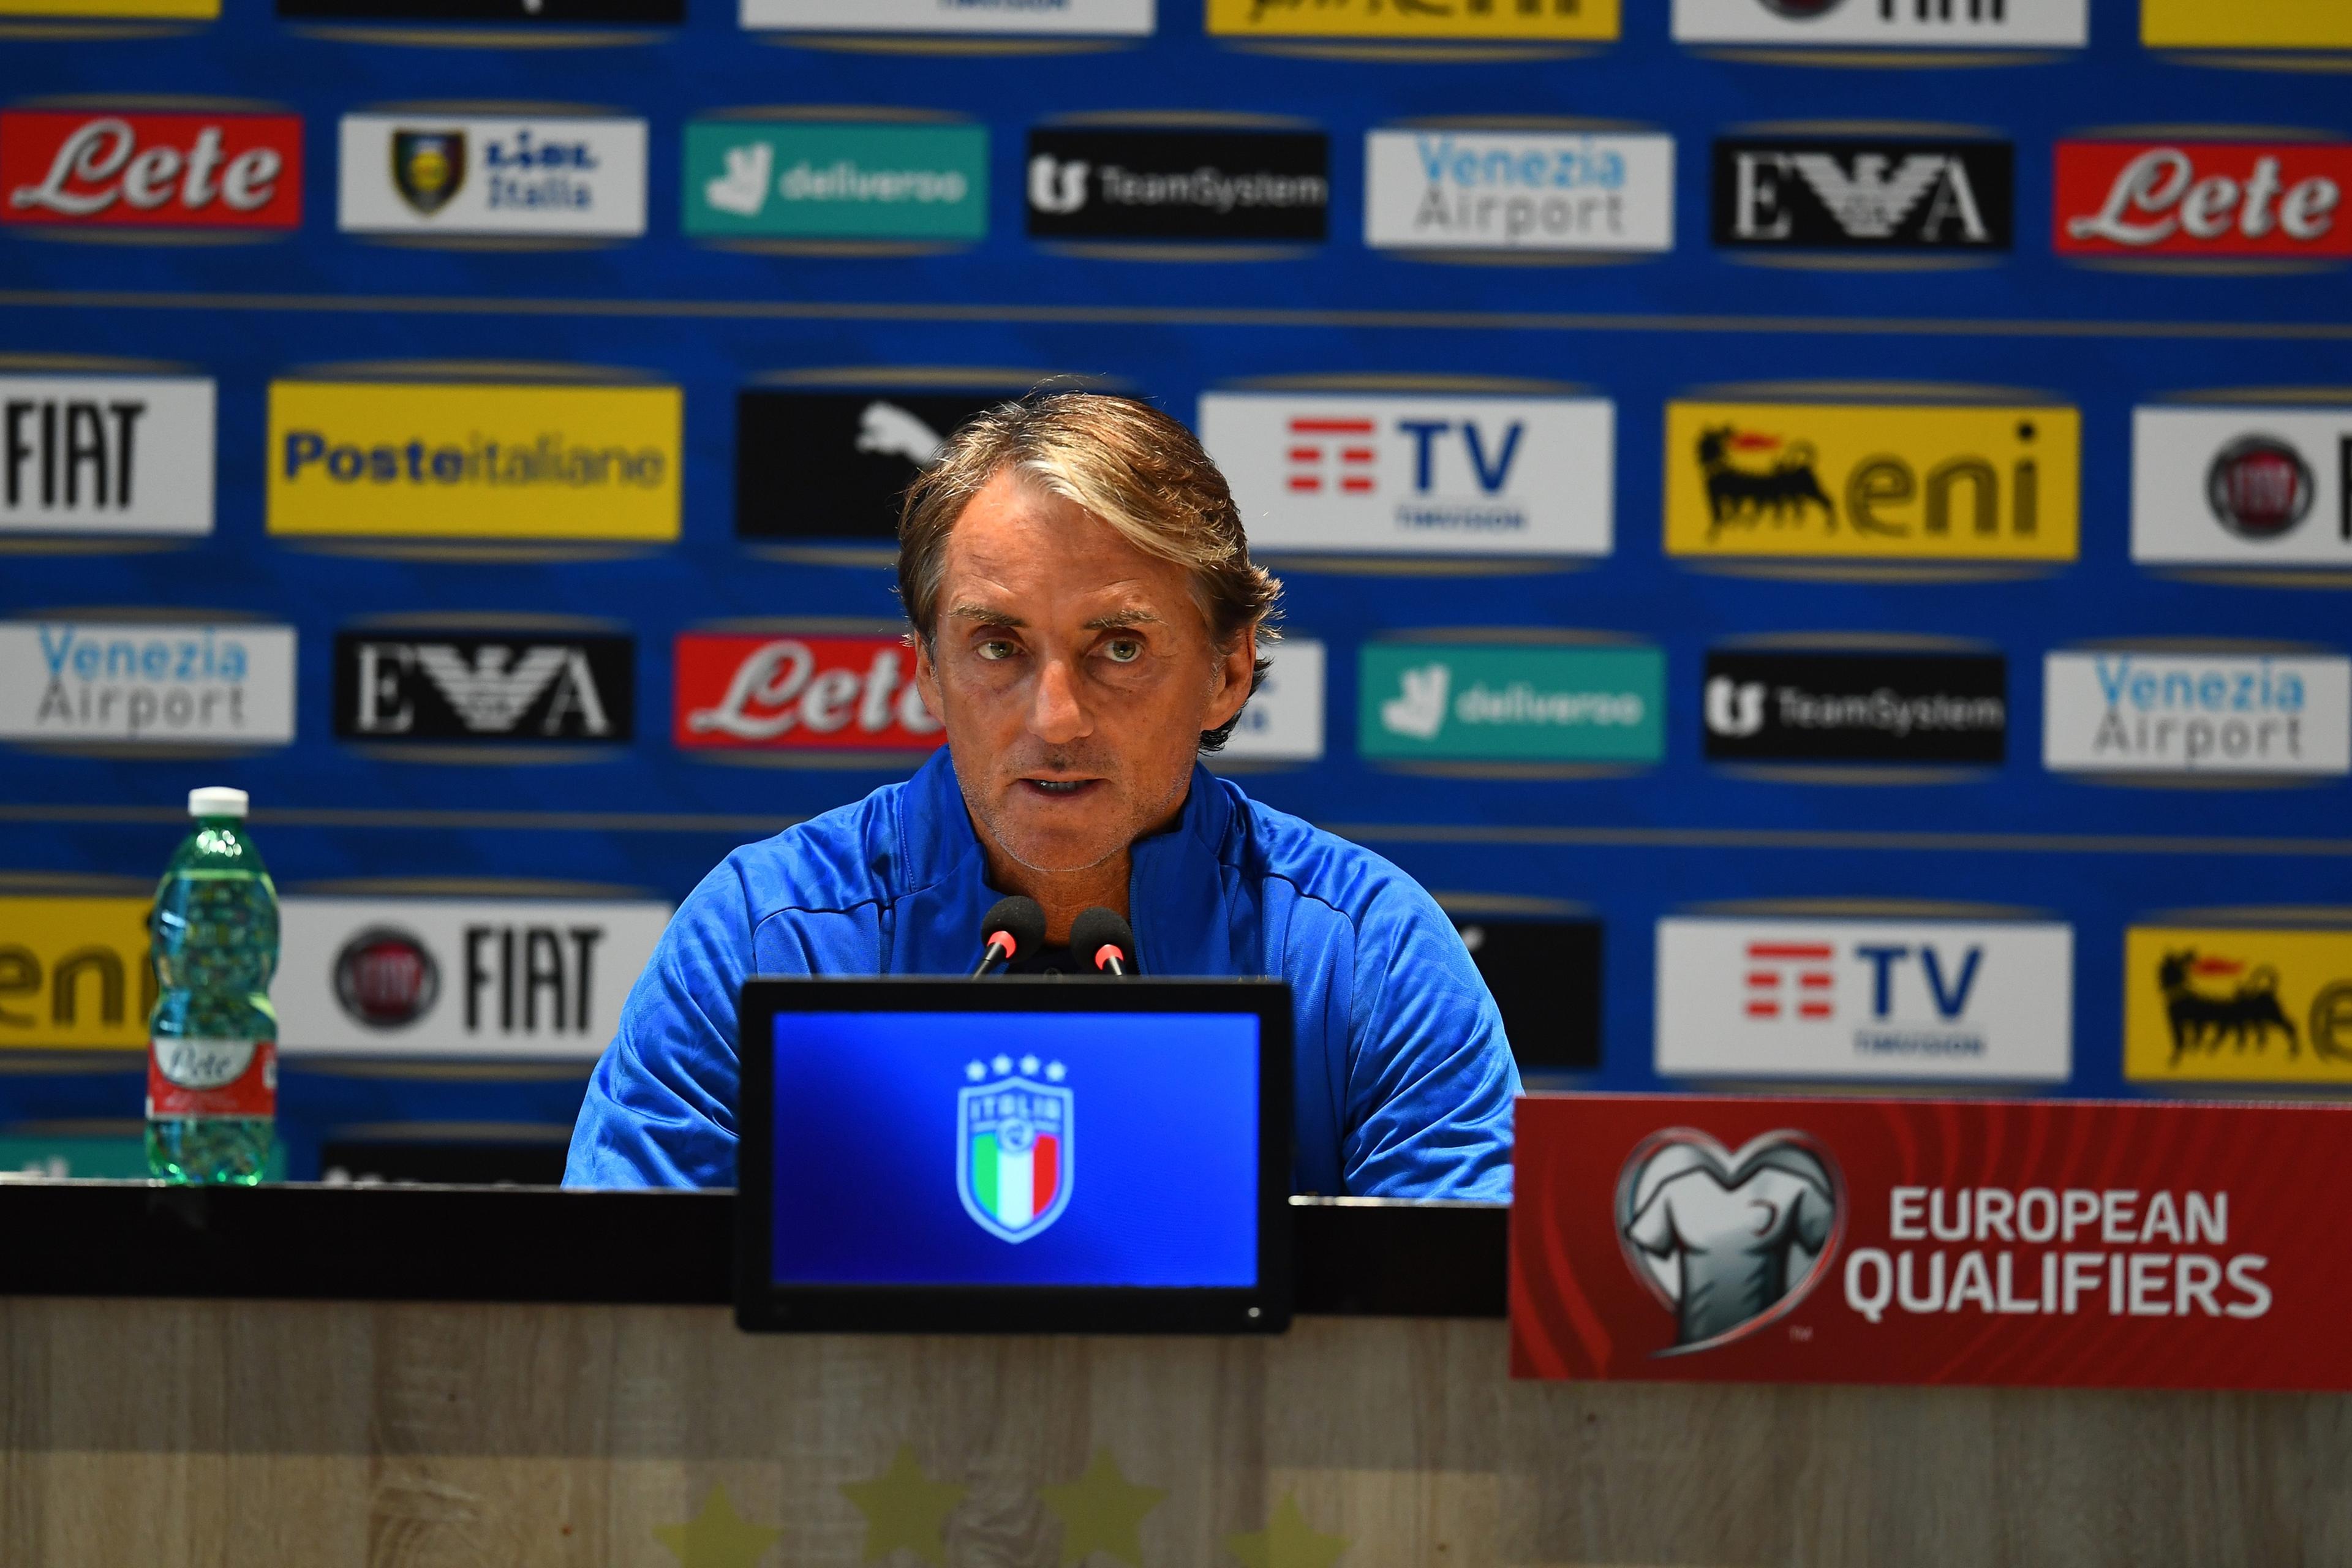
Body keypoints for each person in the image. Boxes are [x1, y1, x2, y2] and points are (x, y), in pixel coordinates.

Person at [565, 393, 1521, 1197]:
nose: (1056, 719)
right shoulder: (766, 938)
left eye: (1120, 647)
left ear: (1229, 673)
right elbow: (621, 1322)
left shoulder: (1368, 957)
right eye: (998, 647)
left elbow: (1457, 1345)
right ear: (930, 675)